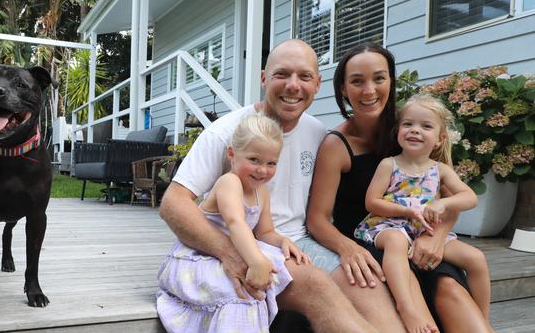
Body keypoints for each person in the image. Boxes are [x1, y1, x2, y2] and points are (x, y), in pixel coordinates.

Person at [160, 39, 378, 332]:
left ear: (317, 83)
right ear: (264, 78)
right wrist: (231, 254)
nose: (293, 86)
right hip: (248, 248)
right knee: (316, 285)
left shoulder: (317, 133)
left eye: (304, 76)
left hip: (293, 244)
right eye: (281, 74)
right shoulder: (228, 133)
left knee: (367, 283)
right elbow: (174, 203)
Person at [306, 41, 494, 332]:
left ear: (391, 81)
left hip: (423, 236)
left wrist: (436, 238)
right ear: (343, 88)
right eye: (357, 81)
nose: (369, 91)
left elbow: (446, 196)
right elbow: (317, 219)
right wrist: (348, 250)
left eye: (379, 78)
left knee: (453, 293)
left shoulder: (412, 128)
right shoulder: (336, 145)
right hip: (375, 242)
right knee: (417, 312)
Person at [157, 114, 311, 332]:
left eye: (271, 163)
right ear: (232, 154)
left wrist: (282, 240)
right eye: (254, 160)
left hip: (234, 251)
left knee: (263, 281)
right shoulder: (229, 182)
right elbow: (236, 223)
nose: (262, 170)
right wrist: (256, 261)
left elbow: (265, 231)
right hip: (200, 256)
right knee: (239, 290)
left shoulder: (262, 191)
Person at [354, 94, 491, 333]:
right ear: (398, 131)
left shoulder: (440, 170)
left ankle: (484, 320)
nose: (415, 130)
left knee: (475, 258)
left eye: (426, 126)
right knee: (396, 241)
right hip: (388, 225)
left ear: (440, 139)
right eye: (408, 124)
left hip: (423, 232)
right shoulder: (390, 164)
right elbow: (372, 202)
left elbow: (469, 197)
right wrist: (406, 210)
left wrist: (443, 205)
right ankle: (405, 306)